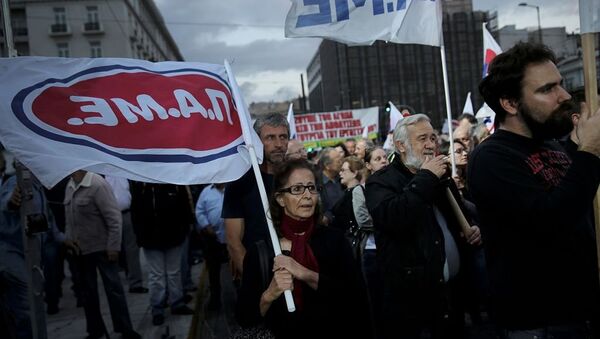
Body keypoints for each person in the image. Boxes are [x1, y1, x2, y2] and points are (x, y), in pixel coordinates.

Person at [470, 42, 600, 338]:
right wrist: (590, 150)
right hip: (540, 324)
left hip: (580, 314)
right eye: (547, 89)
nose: (564, 96)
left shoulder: (553, 145)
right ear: (510, 103)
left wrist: (583, 148)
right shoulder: (491, 158)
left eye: (561, 85)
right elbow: (552, 219)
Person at [365, 114, 481, 339]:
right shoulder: (381, 182)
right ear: (401, 145)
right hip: (414, 307)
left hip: (453, 298)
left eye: (433, 138)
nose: (430, 145)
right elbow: (395, 217)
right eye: (422, 139)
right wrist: (426, 177)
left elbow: (459, 217)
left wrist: (471, 229)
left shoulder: (441, 176)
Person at [235, 159, 372, 339]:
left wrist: (302, 272)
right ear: (280, 199)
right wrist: (270, 294)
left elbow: (355, 297)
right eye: (297, 189)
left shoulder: (334, 240)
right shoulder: (262, 252)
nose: (307, 195)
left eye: (312, 188)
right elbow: (244, 317)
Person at [64, 170, 140, 339]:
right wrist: (69, 240)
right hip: (81, 250)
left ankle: (125, 329)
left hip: (103, 248)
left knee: (114, 290)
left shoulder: (97, 184)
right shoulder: (70, 186)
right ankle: (95, 330)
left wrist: (113, 246)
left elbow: (114, 217)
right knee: (88, 293)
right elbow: (69, 219)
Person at [223, 113, 289, 279]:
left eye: (283, 137)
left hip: (293, 271)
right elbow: (233, 241)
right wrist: (254, 282)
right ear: (257, 142)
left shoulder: (295, 177)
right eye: (270, 138)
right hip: (257, 271)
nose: (279, 144)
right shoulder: (239, 181)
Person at [130, 182, 195, 326]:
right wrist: (140, 236)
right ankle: (157, 308)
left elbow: (184, 208)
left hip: (174, 236)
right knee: (156, 275)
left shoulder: (174, 184)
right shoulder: (141, 186)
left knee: (174, 272)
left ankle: (176, 303)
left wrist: (184, 230)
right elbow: (136, 212)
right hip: (151, 239)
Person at [104, 175, 147, 294]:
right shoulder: (101, 174)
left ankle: (135, 283)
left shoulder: (126, 174)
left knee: (132, 249)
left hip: (128, 213)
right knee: (111, 249)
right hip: (108, 217)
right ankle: (113, 284)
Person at [195, 183, 228, 310]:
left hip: (232, 238)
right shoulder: (206, 192)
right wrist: (205, 225)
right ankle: (215, 300)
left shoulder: (232, 188)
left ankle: (240, 299)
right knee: (214, 271)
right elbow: (199, 211)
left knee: (236, 271)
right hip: (213, 239)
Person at [316, 147, 344, 226]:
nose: (342, 163)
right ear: (327, 165)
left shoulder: (344, 177)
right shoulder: (316, 182)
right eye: (338, 161)